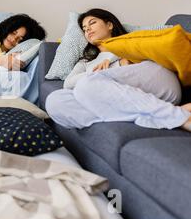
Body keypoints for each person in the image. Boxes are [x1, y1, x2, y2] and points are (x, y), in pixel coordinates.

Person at [45, 8, 191, 132]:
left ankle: (177, 116)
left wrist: (119, 58)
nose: (87, 29)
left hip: (159, 82)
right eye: (84, 28)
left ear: (109, 25)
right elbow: (68, 83)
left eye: (92, 23)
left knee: (85, 85)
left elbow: (154, 53)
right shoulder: (86, 62)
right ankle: (151, 116)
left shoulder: (129, 42)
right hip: (120, 98)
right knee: (55, 101)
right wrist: (97, 74)